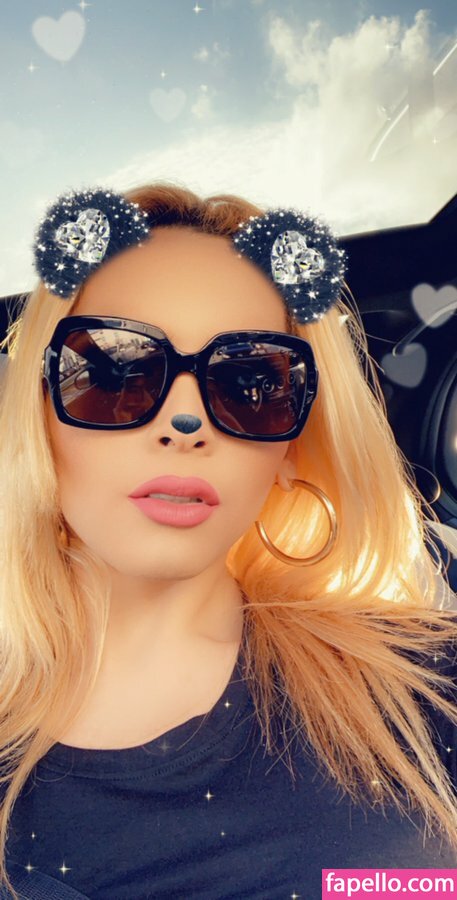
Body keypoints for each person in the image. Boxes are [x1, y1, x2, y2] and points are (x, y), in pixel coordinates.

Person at [0, 181, 456, 900]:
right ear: (38, 414)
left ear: (291, 451)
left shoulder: (425, 683)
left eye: (249, 385)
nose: (184, 425)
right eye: (115, 369)